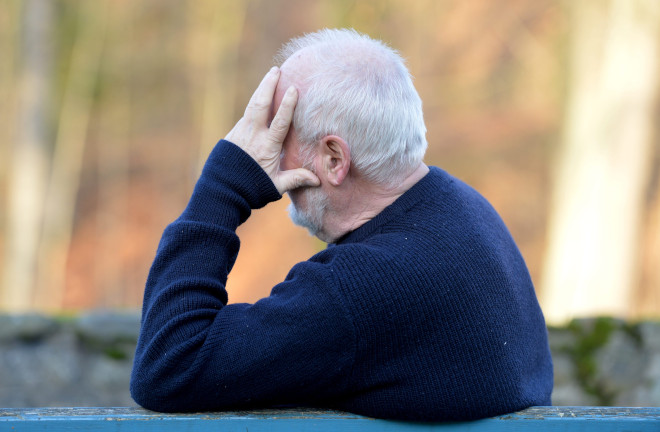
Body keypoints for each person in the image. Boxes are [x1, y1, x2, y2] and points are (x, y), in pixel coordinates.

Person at [130, 28, 553, 422]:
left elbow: (170, 366)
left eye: (280, 136)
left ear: (334, 159)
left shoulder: (360, 290)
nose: (267, 157)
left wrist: (224, 187)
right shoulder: (464, 209)